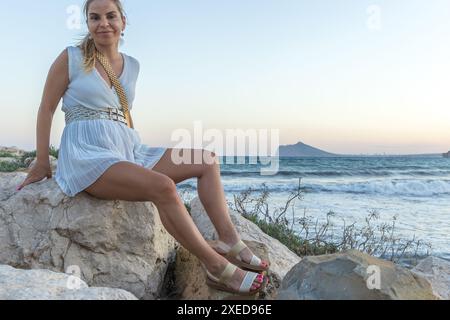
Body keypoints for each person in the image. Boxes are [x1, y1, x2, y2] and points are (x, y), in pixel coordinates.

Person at [17, 0, 269, 295]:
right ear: (87, 23)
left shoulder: (133, 66)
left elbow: (119, 114)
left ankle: (229, 240)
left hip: (126, 147)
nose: (103, 23)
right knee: (162, 187)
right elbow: (46, 108)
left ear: (123, 21)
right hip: (87, 153)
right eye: (94, 17)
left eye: (111, 16)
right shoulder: (71, 57)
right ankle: (214, 265)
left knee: (207, 159)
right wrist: (43, 161)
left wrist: (134, 157)